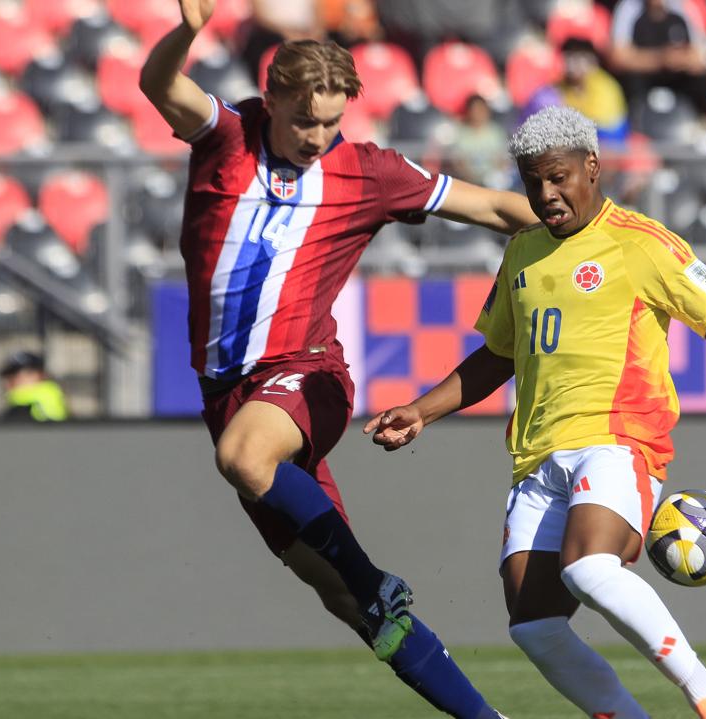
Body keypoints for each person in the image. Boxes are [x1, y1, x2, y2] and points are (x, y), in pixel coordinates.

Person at [365, 106, 706, 719]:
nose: (545, 194)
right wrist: (423, 410)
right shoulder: (523, 253)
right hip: (535, 457)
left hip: (618, 440)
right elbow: (498, 357)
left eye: (558, 177)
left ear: (592, 166)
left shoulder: (641, 242)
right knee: (534, 627)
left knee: (589, 567)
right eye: (533, 182)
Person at [139, 3, 537, 717]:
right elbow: (157, 83)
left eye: (331, 122)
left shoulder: (371, 172)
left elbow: (495, 210)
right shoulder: (226, 139)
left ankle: (377, 578)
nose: (319, 137)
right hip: (229, 393)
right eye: (304, 121)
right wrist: (189, 33)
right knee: (346, 600)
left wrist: (607, 231)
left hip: (308, 374)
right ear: (272, 101)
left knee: (245, 457)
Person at [609, 0, 706, 114]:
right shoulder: (629, 7)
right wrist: (661, 59)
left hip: (677, 77)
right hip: (644, 77)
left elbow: (702, 56)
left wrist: (680, 59)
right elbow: (618, 58)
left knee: (705, 84)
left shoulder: (684, 7)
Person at [558, 38, 630, 144]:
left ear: (593, 61)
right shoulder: (557, 87)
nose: (573, 63)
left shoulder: (605, 87)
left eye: (580, 57)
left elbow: (606, 128)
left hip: (607, 145)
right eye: (569, 56)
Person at [0, 351, 68, 422]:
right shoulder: (55, 395)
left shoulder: (34, 403)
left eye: (28, 374)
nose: (18, 380)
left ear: (42, 375)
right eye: (11, 376)